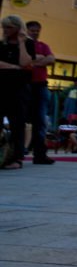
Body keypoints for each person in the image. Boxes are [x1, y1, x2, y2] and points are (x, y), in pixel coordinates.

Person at [0, 15, 34, 169]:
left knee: (17, 125)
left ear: (18, 28)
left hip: (19, 90)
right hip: (2, 87)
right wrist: (14, 68)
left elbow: (25, 62)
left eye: (9, 27)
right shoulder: (1, 45)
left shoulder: (28, 44)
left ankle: (16, 159)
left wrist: (21, 43)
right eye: (4, 27)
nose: (5, 30)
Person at [25, 21, 55, 165]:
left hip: (41, 86)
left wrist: (35, 60)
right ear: (26, 31)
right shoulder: (23, 45)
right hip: (26, 85)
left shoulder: (44, 46)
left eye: (37, 30)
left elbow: (51, 59)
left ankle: (40, 155)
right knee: (20, 120)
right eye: (32, 30)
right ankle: (18, 152)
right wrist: (40, 59)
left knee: (40, 121)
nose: (35, 32)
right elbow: (25, 61)